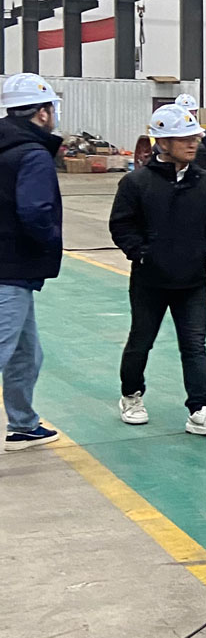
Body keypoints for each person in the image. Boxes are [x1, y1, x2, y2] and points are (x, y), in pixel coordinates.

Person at [109, 104, 206, 436]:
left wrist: (205, 250)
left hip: (191, 280)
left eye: (195, 138)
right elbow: (121, 225)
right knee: (141, 341)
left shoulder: (205, 183)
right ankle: (131, 395)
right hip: (150, 281)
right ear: (162, 143)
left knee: (194, 345)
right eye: (185, 139)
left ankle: (200, 408)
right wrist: (141, 253)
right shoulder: (136, 183)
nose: (193, 144)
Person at [0, 73, 62, 452]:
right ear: (41, 113)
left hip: (13, 271)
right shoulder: (33, 154)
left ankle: (23, 425)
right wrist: (50, 242)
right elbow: (36, 211)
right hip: (12, 268)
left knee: (26, 353)